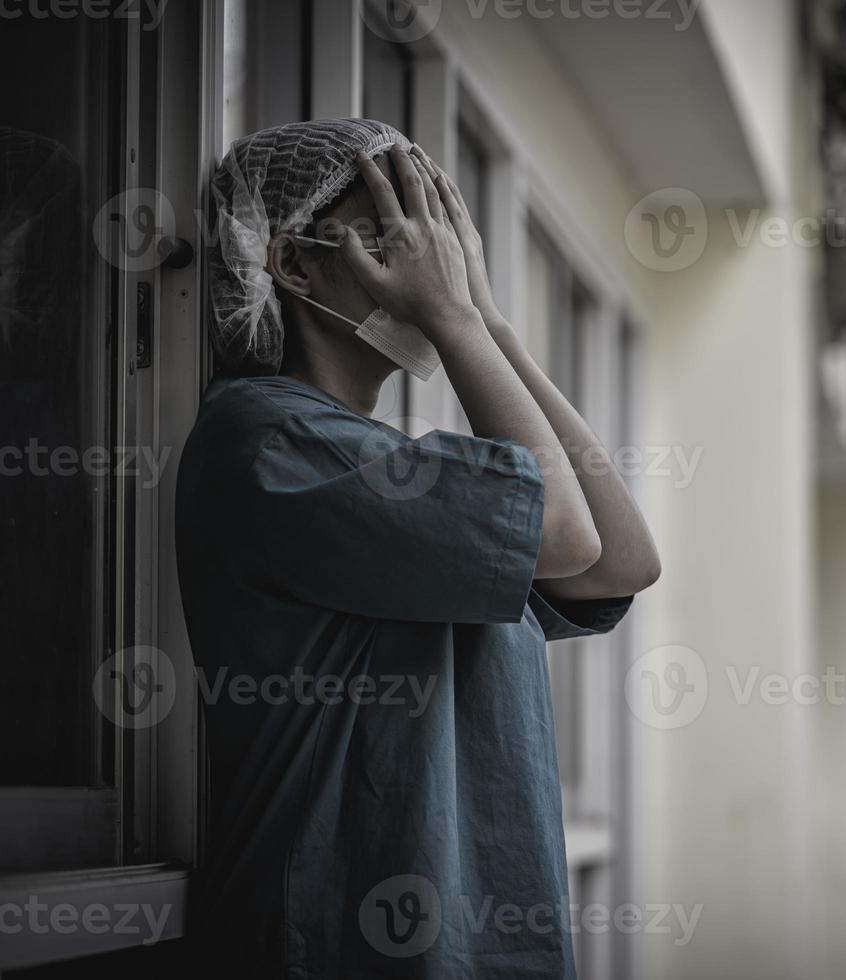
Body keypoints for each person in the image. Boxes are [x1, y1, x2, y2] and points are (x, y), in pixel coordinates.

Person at [175, 118, 660, 979]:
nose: (428, 258)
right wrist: (453, 321)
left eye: (438, 236)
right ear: (292, 266)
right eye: (394, 232)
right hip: (336, 944)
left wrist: (489, 322)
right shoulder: (274, 440)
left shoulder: (381, 462)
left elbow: (621, 560)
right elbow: (564, 532)